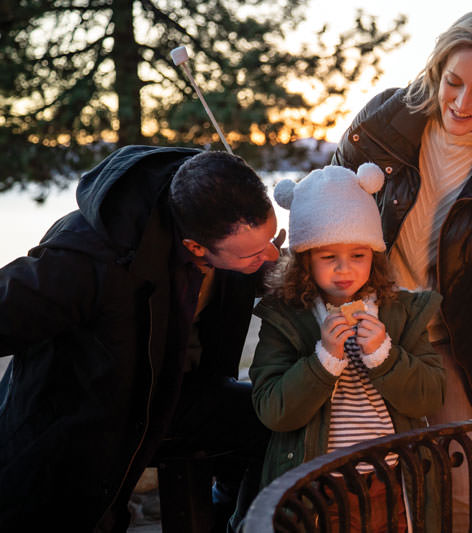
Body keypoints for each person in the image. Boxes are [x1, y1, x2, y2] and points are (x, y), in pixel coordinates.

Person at [331, 9, 472, 530]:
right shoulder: (381, 122)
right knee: (366, 496)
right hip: (358, 328)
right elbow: (322, 216)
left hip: (443, 339)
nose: (462, 103)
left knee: (458, 495)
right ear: (437, 69)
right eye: (453, 82)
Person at [0, 146, 280, 532]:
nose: (270, 255)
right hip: (86, 418)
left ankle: (234, 521)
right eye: (253, 254)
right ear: (195, 247)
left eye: (271, 238)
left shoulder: (218, 207)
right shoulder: (89, 258)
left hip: (175, 393)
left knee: (275, 418)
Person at [249, 162, 446, 531]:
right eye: (328, 257)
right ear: (305, 260)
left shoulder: (402, 312)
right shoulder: (287, 319)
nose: (345, 269)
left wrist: (384, 355)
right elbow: (274, 410)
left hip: (390, 479)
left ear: (376, 256)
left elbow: (430, 397)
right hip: (319, 486)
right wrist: (323, 360)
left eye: (359, 255)